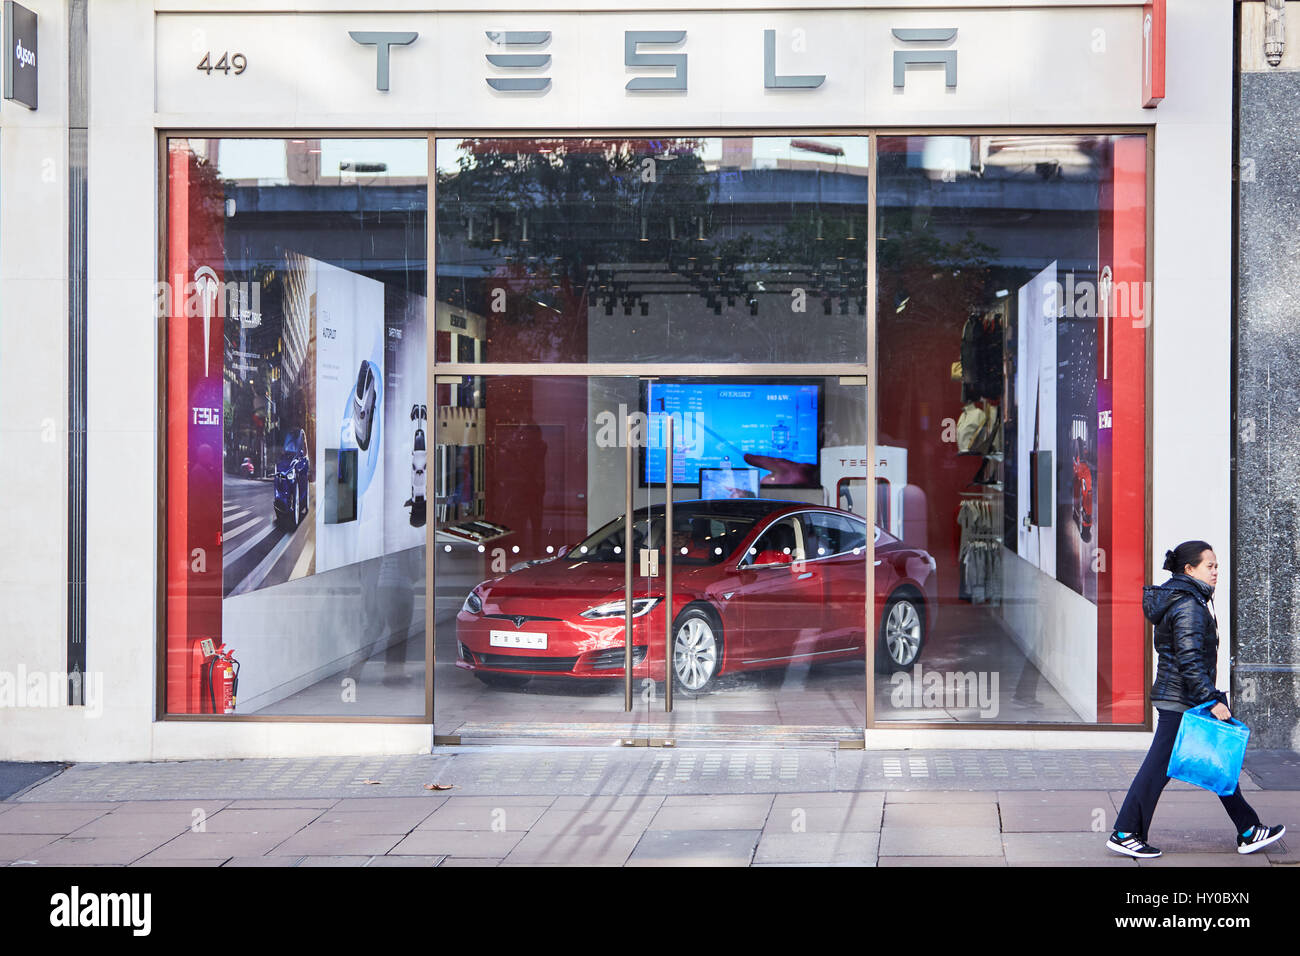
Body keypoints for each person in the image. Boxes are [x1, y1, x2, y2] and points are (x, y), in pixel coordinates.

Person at [1107, 541, 1286, 858]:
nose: (1216, 571)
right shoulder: (1188, 605)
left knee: (1218, 759)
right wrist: (1211, 699)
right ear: (1189, 569)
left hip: (1183, 695)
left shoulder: (1186, 598)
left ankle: (1248, 829)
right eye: (1210, 566)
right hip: (1182, 699)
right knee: (1161, 767)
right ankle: (1125, 832)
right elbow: (1189, 660)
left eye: (1217, 565)